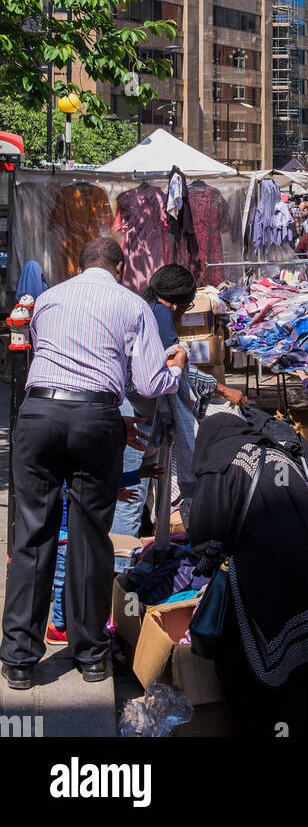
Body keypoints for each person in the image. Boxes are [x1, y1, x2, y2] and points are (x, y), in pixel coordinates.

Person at [1, 238, 186, 691]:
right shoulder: (130, 303)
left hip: (39, 413)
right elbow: (149, 380)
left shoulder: (47, 299)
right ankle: (90, 657)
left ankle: (20, 659)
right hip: (96, 419)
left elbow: (46, 359)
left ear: (79, 265)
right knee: (89, 536)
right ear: (120, 268)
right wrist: (177, 366)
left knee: (33, 534)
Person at [188, 408, 308, 737]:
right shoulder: (275, 451)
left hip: (275, 559)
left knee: (249, 654)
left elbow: (206, 537)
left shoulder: (220, 463)